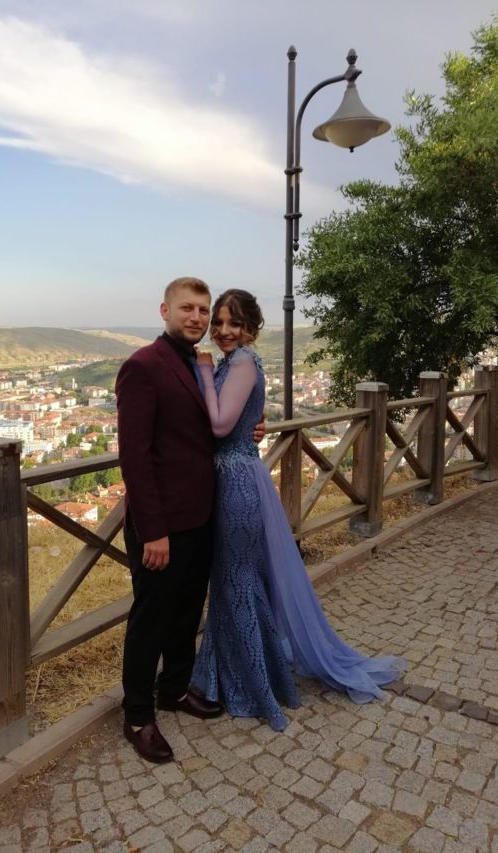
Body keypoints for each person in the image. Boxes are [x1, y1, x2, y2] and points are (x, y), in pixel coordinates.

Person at [191, 289, 406, 732]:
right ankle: (225, 674)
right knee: (231, 581)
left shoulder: (240, 361)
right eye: (219, 322)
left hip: (236, 483)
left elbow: (219, 424)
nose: (224, 330)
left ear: (251, 329)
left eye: (234, 323)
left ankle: (254, 683)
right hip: (230, 478)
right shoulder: (234, 363)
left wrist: (204, 369)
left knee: (237, 582)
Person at [116, 277, 265, 762]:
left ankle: (174, 688)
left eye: (203, 310)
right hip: (161, 524)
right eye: (188, 308)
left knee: (185, 613)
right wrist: (153, 530)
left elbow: (220, 423)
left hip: (202, 513)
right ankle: (138, 716)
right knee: (151, 620)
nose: (198, 318)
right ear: (165, 310)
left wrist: (254, 428)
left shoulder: (203, 364)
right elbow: (135, 457)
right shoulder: (143, 366)